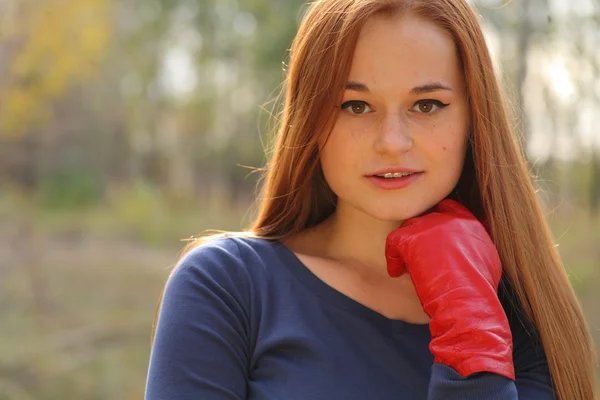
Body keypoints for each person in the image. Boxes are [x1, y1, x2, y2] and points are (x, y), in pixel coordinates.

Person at [145, 0, 597, 399]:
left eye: (427, 105)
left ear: (473, 121)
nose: (392, 142)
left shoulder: (520, 314)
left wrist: (471, 329)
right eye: (355, 106)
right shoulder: (228, 288)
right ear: (311, 122)